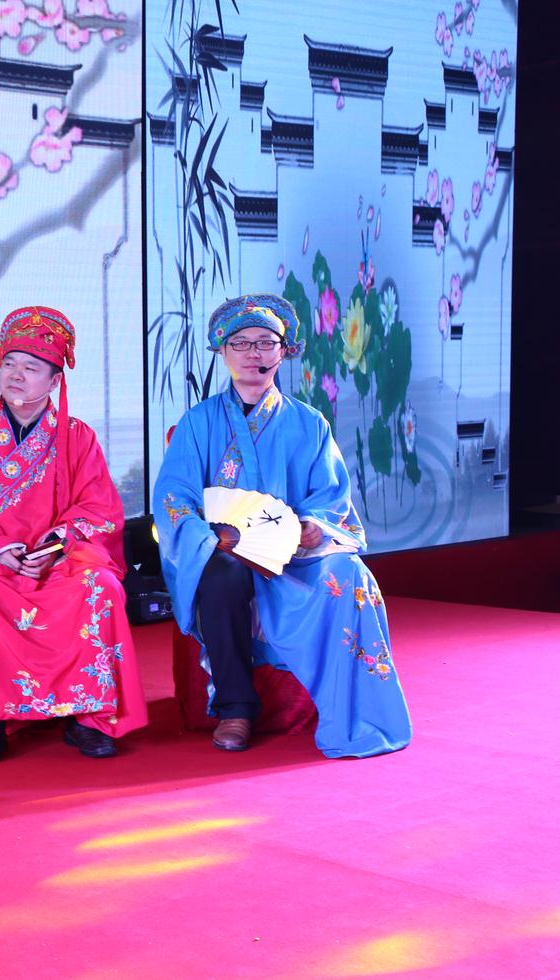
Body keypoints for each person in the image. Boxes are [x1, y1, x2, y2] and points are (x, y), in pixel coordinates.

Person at [153, 293, 411, 757]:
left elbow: (330, 497)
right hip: (223, 551)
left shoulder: (309, 424)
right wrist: (210, 539)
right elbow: (174, 498)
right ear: (223, 352)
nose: (253, 352)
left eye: (265, 342)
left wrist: (312, 526)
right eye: (241, 343)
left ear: (284, 351)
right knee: (221, 574)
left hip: (294, 556)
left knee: (349, 574)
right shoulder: (197, 423)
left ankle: (352, 705)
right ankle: (236, 708)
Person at [0, 306, 147, 764]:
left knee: (101, 586)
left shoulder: (77, 437)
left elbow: (99, 508)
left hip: (57, 561)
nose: (16, 375)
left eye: (31, 368)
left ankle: (88, 718)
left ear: (55, 380)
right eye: (10, 364)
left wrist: (56, 545)